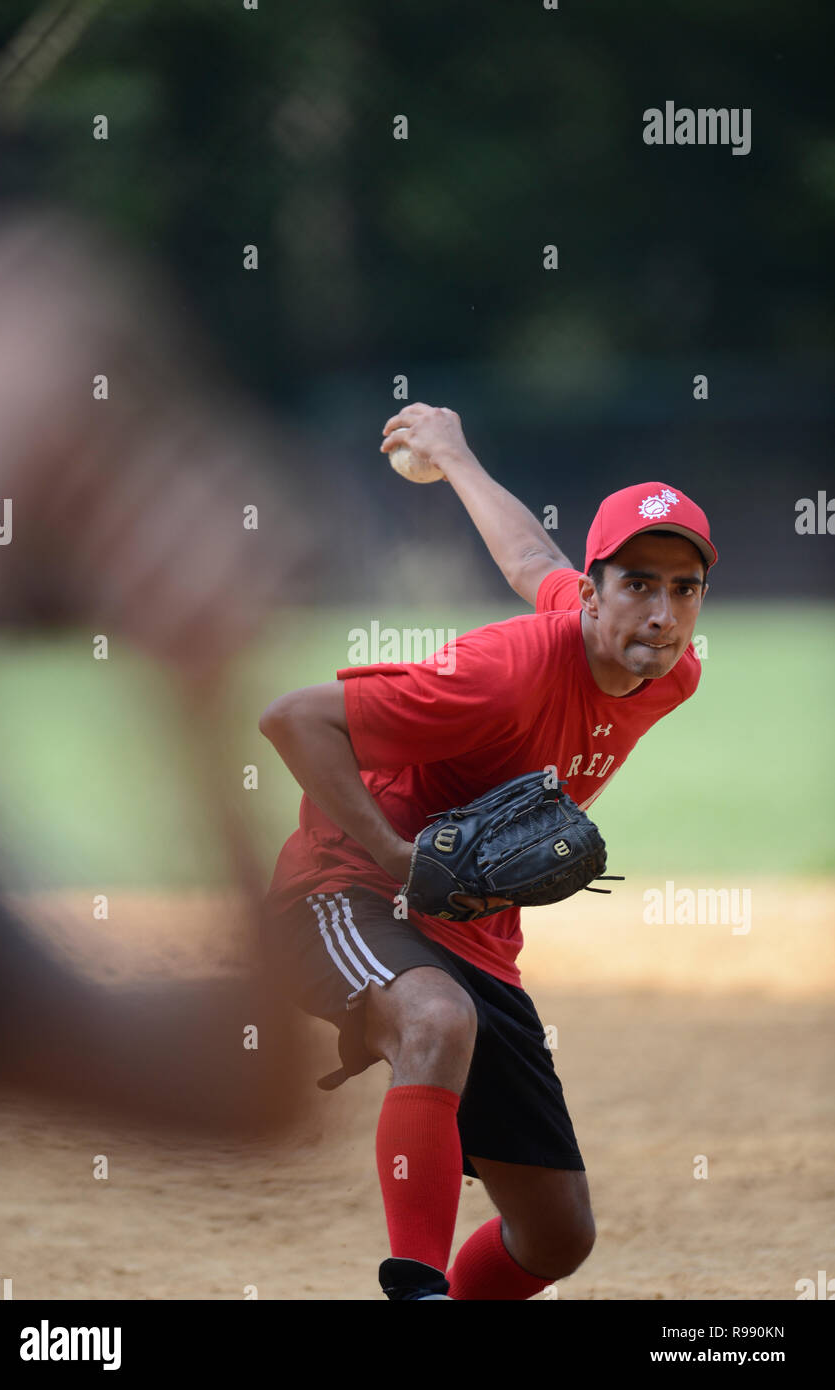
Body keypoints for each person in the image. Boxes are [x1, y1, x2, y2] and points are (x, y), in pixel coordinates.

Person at [259, 403, 717, 1301]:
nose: (661, 614)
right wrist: (395, 858)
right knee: (435, 1022)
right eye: (637, 584)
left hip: (471, 927)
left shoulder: (669, 673)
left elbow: (532, 562)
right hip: (348, 885)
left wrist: (456, 456)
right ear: (597, 595)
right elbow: (294, 719)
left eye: (683, 589)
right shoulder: (500, 673)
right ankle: (415, 1288)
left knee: (554, 1235)